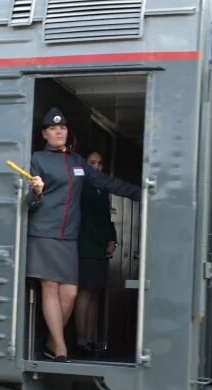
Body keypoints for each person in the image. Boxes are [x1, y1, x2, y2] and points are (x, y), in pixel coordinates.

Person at [25, 108, 139, 362]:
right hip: (43, 233)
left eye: (62, 128)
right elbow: (27, 202)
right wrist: (37, 191)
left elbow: (105, 182)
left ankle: (51, 342)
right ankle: (61, 348)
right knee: (51, 288)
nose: (58, 131)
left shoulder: (77, 162)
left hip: (69, 237)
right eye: (53, 128)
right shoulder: (37, 159)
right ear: (44, 133)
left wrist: (140, 192)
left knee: (70, 293)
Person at [75, 150, 117, 357]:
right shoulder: (83, 187)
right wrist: (103, 241)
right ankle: (81, 341)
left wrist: (112, 239)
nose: (96, 167)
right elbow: (89, 222)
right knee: (85, 292)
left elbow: (106, 218)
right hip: (86, 246)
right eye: (92, 162)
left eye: (100, 163)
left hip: (99, 247)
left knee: (94, 294)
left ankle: (90, 339)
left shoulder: (102, 188)